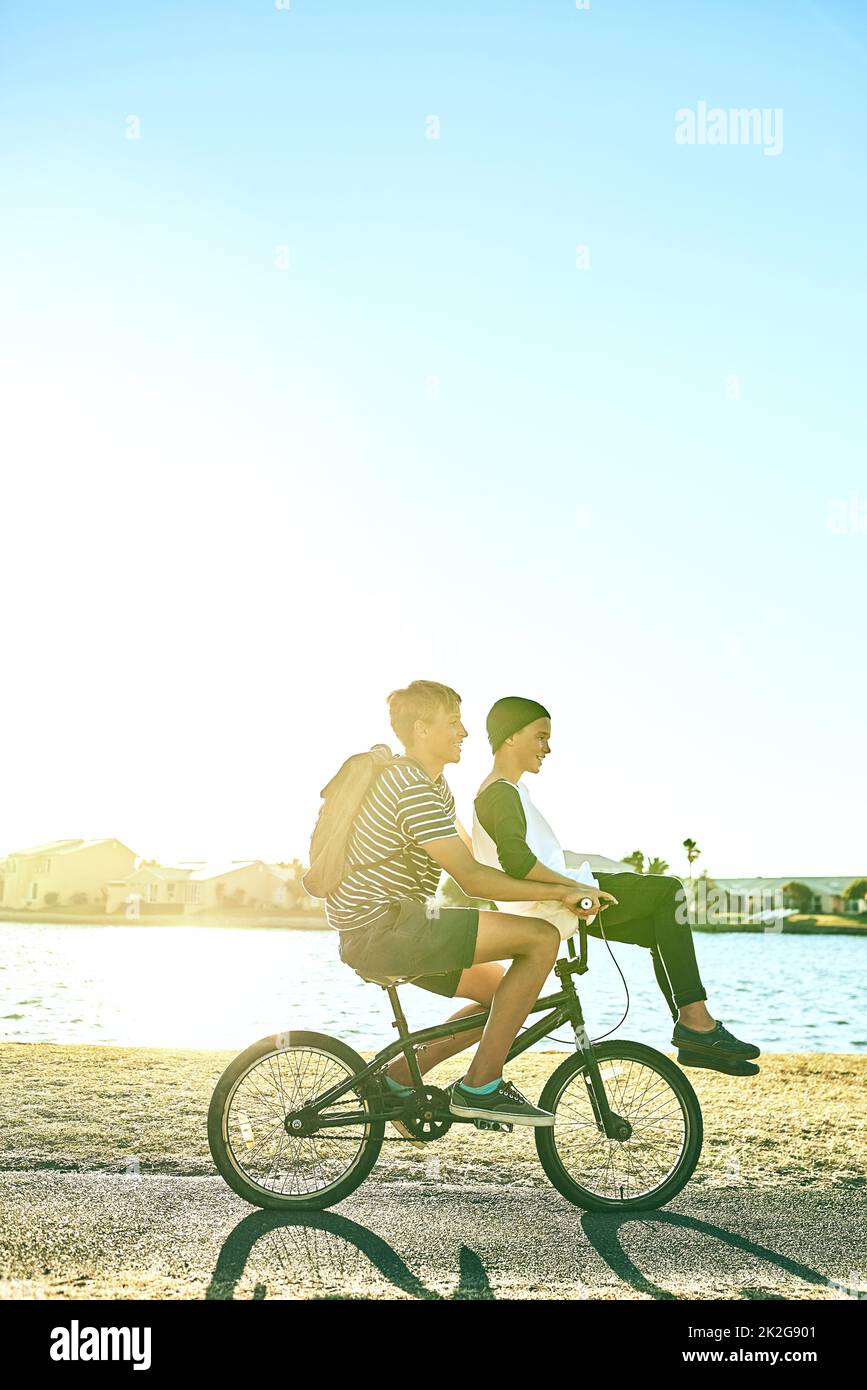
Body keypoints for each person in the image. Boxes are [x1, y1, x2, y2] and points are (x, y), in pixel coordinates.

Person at [326, 679, 617, 1127]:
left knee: (501, 995)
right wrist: (562, 892)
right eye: (454, 723)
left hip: (399, 925)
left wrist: (553, 881)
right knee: (540, 940)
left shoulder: (434, 788)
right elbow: (473, 877)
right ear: (422, 729)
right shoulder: (410, 786)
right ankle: (480, 1086)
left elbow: (478, 856)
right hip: (384, 927)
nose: (464, 733)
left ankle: (402, 1075)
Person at [472, 696, 761, 1078]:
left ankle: (695, 1029)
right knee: (668, 891)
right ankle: (695, 1023)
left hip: (551, 901)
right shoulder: (500, 792)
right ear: (510, 737)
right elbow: (518, 862)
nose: (548, 747)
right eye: (540, 737)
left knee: (663, 926)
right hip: (551, 904)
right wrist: (573, 887)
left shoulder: (503, 789)